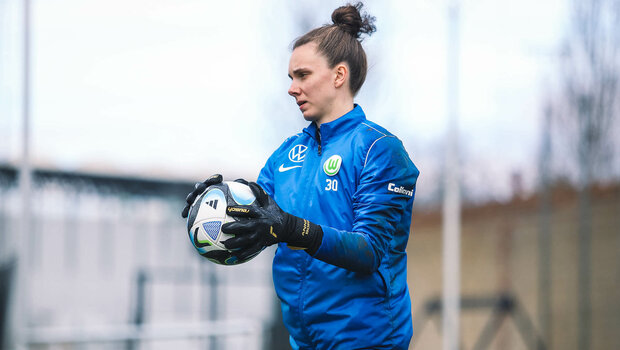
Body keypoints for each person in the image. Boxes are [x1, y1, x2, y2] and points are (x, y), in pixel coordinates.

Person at [182, 3, 419, 349]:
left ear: (339, 76)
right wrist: (213, 206)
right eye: (291, 78)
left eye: (302, 75)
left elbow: (369, 251)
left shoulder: (379, 150)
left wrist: (294, 229)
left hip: (367, 341)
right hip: (304, 342)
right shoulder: (286, 155)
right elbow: (257, 218)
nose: (292, 88)